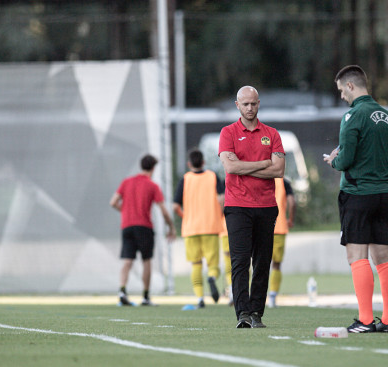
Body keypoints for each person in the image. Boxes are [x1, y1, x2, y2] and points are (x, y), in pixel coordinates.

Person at [324, 65, 388, 333]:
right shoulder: (387, 115)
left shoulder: (352, 116)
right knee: (384, 258)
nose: (342, 96)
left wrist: (334, 160)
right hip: (382, 195)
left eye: (342, 90)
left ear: (351, 86)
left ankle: (366, 320)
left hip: (357, 194)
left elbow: (346, 160)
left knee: (357, 256)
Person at [219, 85, 285, 328]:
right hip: (237, 205)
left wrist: (246, 164)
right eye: (245, 104)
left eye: (253, 103)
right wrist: (264, 163)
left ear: (259, 104)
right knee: (240, 261)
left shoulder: (272, 133)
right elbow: (231, 168)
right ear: (237, 105)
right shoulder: (228, 132)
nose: (250, 108)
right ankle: (242, 314)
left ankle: (257, 312)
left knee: (263, 261)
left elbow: (279, 170)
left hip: (266, 205)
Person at [110, 154, 176, 306]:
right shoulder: (152, 186)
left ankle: (122, 292)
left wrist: (125, 211)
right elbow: (164, 211)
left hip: (127, 226)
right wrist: (171, 227)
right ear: (153, 168)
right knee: (146, 260)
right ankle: (145, 296)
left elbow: (113, 202)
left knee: (127, 260)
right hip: (144, 227)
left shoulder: (127, 182)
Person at [173, 149, 225, 308]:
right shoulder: (213, 176)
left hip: (190, 229)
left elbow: (175, 206)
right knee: (213, 265)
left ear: (189, 164)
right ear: (203, 162)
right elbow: (221, 198)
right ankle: (212, 278)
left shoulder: (185, 179)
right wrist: (220, 214)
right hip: (210, 227)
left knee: (196, 264)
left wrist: (185, 216)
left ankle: (200, 298)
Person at [267, 177, 295, 308]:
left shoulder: (260, 177)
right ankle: (272, 295)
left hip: (262, 226)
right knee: (276, 265)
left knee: (258, 263)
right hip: (279, 227)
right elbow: (292, 202)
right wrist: (291, 219)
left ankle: (253, 295)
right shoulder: (284, 182)